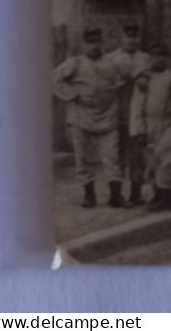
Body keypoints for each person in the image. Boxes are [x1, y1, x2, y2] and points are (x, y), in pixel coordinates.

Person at [52, 27, 128, 208]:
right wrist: (72, 94)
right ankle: (89, 195)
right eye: (90, 42)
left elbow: (124, 81)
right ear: (84, 44)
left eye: (97, 42)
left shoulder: (112, 63)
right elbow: (54, 78)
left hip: (108, 117)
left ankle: (116, 195)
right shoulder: (75, 63)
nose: (94, 46)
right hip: (81, 117)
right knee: (82, 158)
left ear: (102, 43)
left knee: (112, 157)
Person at [128, 43, 171, 210]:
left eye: (162, 55)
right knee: (151, 162)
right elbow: (137, 106)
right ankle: (157, 195)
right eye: (155, 55)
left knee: (168, 160)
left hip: (168, 123)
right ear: (150, 58)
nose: (159, 59)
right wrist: (139, 130)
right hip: (149, 123)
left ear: (167, 57)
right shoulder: (145, 79)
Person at [107, 24, 151, 205]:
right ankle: (115, 195)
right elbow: (110, 82)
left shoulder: (145, 58)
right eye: (128, 36)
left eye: (135, 36)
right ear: (121, 38)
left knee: (137, 156)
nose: (132, 40)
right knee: (115, 155)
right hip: (116, 114)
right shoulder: (111, 58)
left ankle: (136, 193)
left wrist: (133, 76)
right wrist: (130, 76)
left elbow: (145, 82)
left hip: (138, 114)